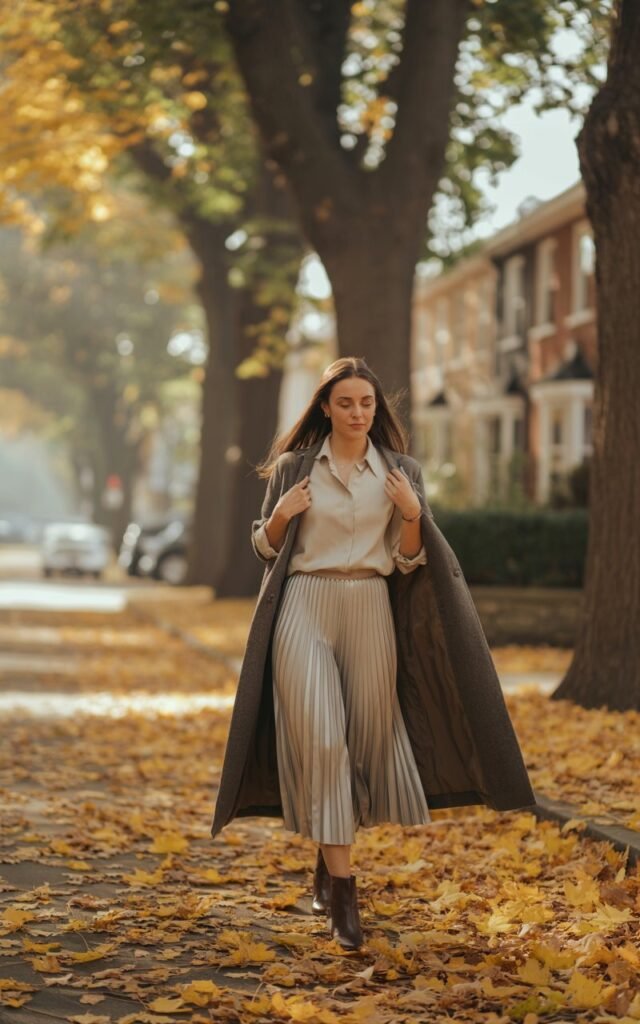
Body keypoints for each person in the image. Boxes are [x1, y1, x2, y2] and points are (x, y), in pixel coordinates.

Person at [211, 356, 537, 951]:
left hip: (370, 608)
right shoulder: (294, 468)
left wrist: (412, 513)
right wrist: (280, 516)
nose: (357, 413)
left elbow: (408, 560)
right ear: (326, 409)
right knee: (323, 739)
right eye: (345, 403)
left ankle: (324, 859)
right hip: (304, 606)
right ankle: (345, 897)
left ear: (376, 409)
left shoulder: (400, 470)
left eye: (366, 403)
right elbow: (264, 546)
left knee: (358, 747)